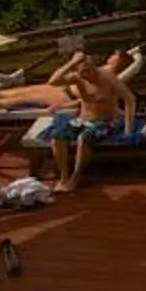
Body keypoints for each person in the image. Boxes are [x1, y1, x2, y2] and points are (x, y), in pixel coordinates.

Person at [47, 52, 134, 192]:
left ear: (94, 67)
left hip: (106, 121)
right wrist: (72, 63)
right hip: (82, 119)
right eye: (81, 72)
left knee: (83, 138)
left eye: (87, 70)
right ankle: (64, 177)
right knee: (56, 137)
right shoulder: (78, 78)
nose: (85, 75)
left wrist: (128, 130)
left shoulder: (108, 77)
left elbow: (129, 99)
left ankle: (76, 178)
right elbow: (52, 82)